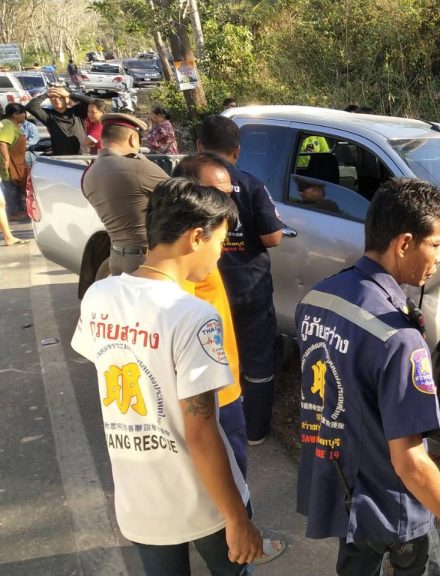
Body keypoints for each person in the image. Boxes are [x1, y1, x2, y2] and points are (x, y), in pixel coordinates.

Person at [71, 177, 263, 574]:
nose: (219, 256)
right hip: (203, 501)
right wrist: (237, 519)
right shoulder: (193, 316)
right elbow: (202, 433)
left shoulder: (99, 295)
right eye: (220, 243)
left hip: (139, 500)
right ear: (196, 237)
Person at [295, 178, 440, 576]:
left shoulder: (315, 300)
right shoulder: (398, 338)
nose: (439, 259)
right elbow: (410, 461)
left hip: (343, 486)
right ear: (404, 243)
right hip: (393, 503)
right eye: (436, 245)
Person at [172, 152, 287, 564]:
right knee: (227, 488)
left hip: (227, 391)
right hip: (215, 401)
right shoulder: (183, 285)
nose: (230, 210)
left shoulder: (199, 261)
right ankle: (238, 545)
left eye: (230, 194)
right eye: (217, 195)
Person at [196, 115, 284, 446]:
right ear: (236, 151)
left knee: (208, 356)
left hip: (203, 288)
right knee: (257, 359)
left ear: (200, 146)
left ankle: (212, 428)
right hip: (250, 287)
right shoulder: (251, 184)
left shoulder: (188, 185)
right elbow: (273, 238)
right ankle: (255, 431)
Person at [81, 113, 169, 275]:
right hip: (144, 260)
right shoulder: (136, 167)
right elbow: (183, 196)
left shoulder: (89, 173)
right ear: (133, 139)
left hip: (116, 257)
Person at [26, 85, 94, 155]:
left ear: (67, 99)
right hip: (61, 156)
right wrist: (46, 94)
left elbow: (93, 102)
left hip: (82, 154)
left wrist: (69, 94)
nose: (56, 99)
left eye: (60, 97)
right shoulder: (48, 115)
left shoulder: (77, 111)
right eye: (53, 97)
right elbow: (30, 106)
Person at [1, 103, 28, 220]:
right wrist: (6, 159)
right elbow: (2, 142)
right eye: (23, 113)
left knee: (16, 187)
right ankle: (11, 212)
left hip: (17, 162)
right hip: (10, 163)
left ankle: (17, 211)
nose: (25, 115)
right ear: (16, 114)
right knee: (10, 187)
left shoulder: (14, 125)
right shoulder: (8, 125)